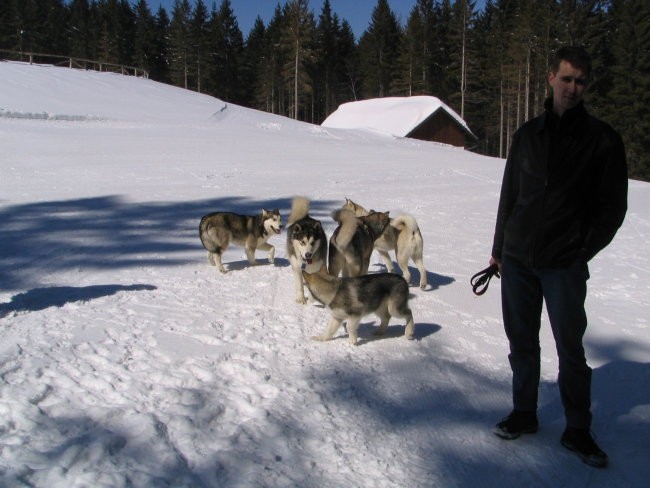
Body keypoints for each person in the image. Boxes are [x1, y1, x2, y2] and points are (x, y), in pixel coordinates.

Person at [489, 46, 628, 468]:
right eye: (566, 79)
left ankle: (578, 429)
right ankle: (525, 413)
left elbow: (612, 209)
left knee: (570, 348)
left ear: (587, 86)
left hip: (564, 265)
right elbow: (510, 195)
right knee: (522, 343)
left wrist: (580, 250)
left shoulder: (602, 140)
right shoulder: (527, 136)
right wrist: (498, 250)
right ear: (550, 78)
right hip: (516, 260)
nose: (572, 88)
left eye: (580, 81)